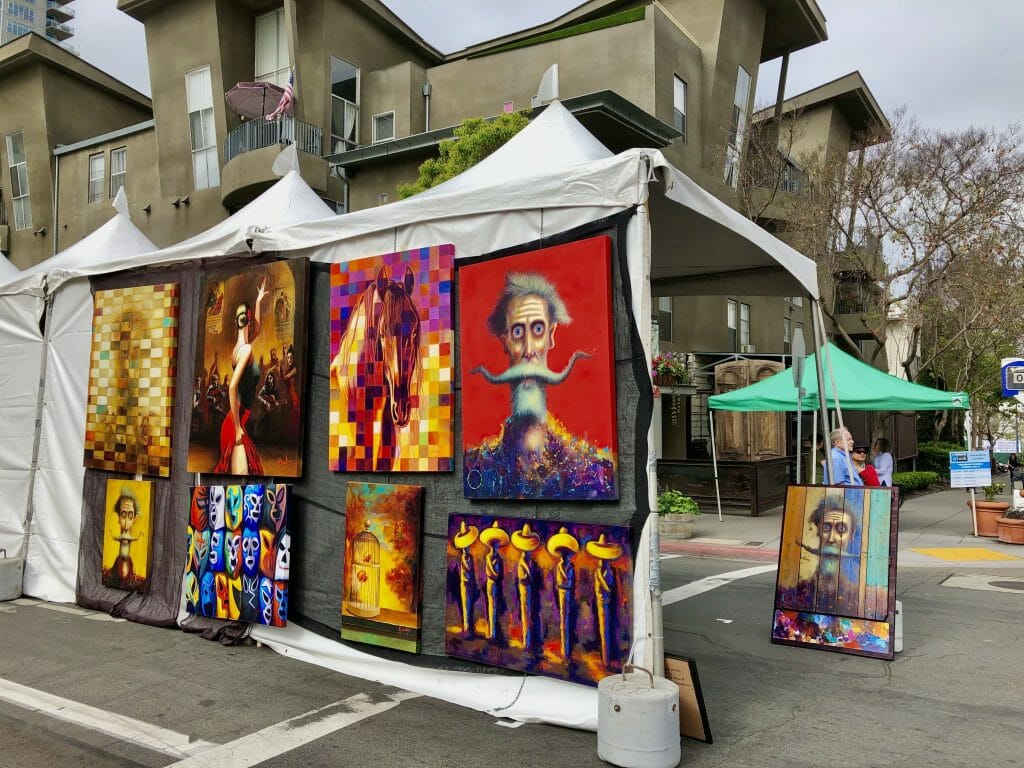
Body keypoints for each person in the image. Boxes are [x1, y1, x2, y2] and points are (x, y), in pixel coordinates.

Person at [463, 272, 615, 499]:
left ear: (551, 336)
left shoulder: (591, 470)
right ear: (505, 341)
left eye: (537, 330)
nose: (529, 350)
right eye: (517, 332)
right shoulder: (478, 468)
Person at [214, 278, 269, 475]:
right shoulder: (246, 350)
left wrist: (258, 300)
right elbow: (232, 387)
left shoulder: (239, 348)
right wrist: (237, 428)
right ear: (248, 317)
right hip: (235, 422)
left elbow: (258, 328)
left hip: (238, 418)